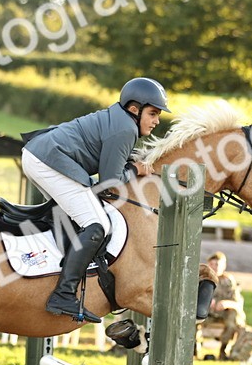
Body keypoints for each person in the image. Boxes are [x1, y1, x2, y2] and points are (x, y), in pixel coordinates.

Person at [21, 77, 170, 323]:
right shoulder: (125, 128)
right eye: (153, 113)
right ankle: (63, 294)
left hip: (41, 156)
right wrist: (136, 171)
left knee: (79, 214)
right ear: (135, 109)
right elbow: (109, 182)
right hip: (47, 161)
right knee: (97, 225)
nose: (157, 121)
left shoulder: (121, 121)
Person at [202, 251, 247, 359]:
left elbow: (238, 303)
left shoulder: (228, 281)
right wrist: (205, 301)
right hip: (206, 314)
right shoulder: (202, 279)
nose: (215, 267)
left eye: (217, 265)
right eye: (212, 264)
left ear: (224, 266)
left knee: (234, 317)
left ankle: (223, 350)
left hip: (223, 314)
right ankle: (193, 349)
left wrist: (226, 304)